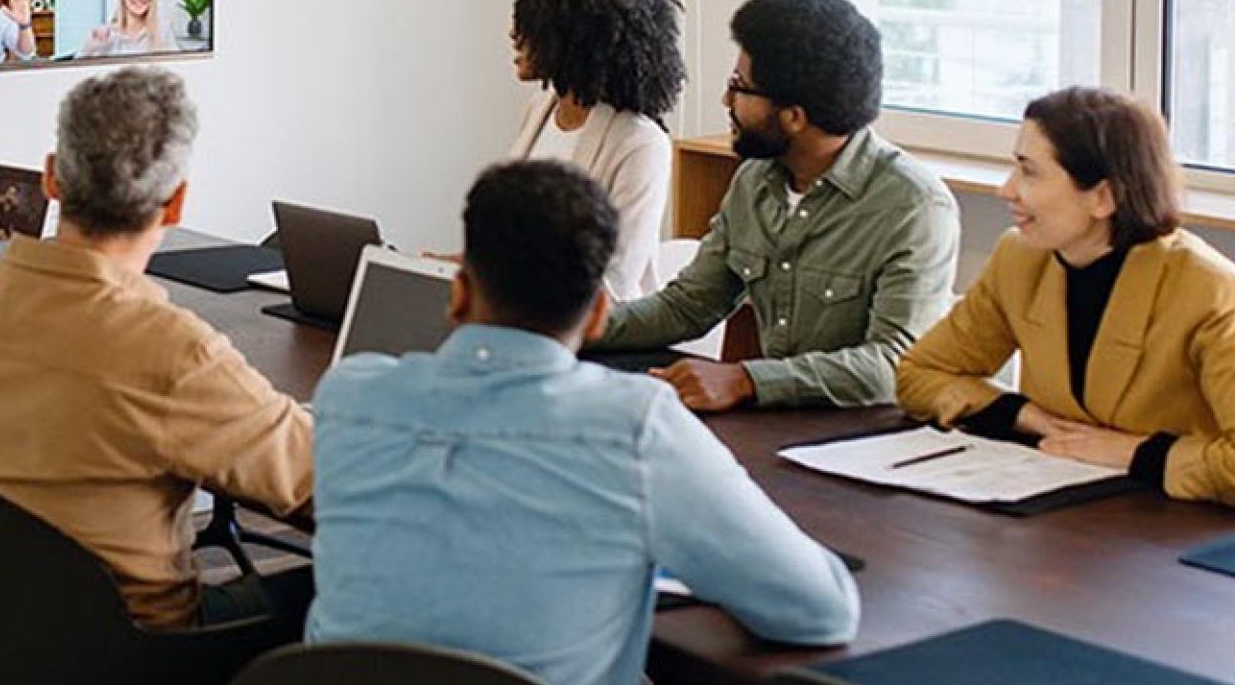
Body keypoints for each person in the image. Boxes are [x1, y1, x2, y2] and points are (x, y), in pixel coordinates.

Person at [307, 161, 859, 684]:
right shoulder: (635, 427)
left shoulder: (348, 394)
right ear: (598, 313)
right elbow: (818, 612)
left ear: (457, 293)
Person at [0, 67, 314, 636]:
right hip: (135, 655)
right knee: (322, 588)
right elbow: (319, 481)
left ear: (51, 178)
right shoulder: (172, 352)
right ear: (176, 204)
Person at [897, 88, 1235, 516]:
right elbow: (920, 374)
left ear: (1103, 198)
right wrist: (1023, 415)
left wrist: (1134, 451)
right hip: (1059, 512)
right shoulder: (1020, 258)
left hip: (1175, 527)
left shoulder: (1211, 293)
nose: (1007, 190)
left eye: (1029, 172)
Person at [592, 0, 960, 411]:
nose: (726, 101)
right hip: (776, 422)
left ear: (794, 117)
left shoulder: (914, 207)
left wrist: (747, 379)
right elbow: (688, 306)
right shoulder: (755, 179)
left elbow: (894, 365)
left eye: (738, 87)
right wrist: (580, 328)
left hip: (865, 432)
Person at [505, 0, 686, 301]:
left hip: (592, 325)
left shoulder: (640, 142)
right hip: (516, 312)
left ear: (573, 35)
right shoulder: (540, 109)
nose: (514, 34)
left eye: (530, 22)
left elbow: (613, 282)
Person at [80, 0, 178, 57]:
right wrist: (94, 46)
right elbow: (78, 65)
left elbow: (178, 66)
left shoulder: (164, 32)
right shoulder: (107, 35)